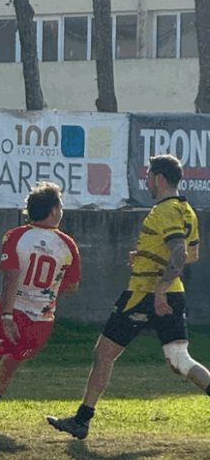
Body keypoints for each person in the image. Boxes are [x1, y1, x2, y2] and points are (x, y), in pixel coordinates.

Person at [48, 153, 208, 440]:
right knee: (179, 360)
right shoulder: (187, 211)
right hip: (173, 293)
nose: (146, 180)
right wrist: (148, 255)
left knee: (103, 353)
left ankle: (82, 421)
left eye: (148, 176)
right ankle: (81, 420)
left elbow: (181, 253)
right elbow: (192, 254)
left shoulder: (164, 211)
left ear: (159, 178)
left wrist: (158, 289)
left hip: (144, 294)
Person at [0, 181, 81, 434]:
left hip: (13, 313)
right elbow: (71, 287)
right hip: (42, 323)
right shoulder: (68, 245)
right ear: (54, 210)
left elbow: (10, 277)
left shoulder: (15, 236)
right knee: (8, 368)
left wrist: (6, 314)